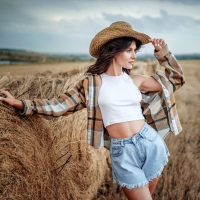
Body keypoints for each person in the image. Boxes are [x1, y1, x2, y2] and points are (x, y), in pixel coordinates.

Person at [0, 21, 185, 200]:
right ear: (114, 50)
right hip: (122, 151)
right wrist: (22, 104)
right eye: (129, 50)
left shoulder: (136, 80)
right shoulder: (92, 84)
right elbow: (60, 105)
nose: (134, 55)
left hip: (150, 143)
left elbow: (175, 80)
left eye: (135, 50)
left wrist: (162, 53)